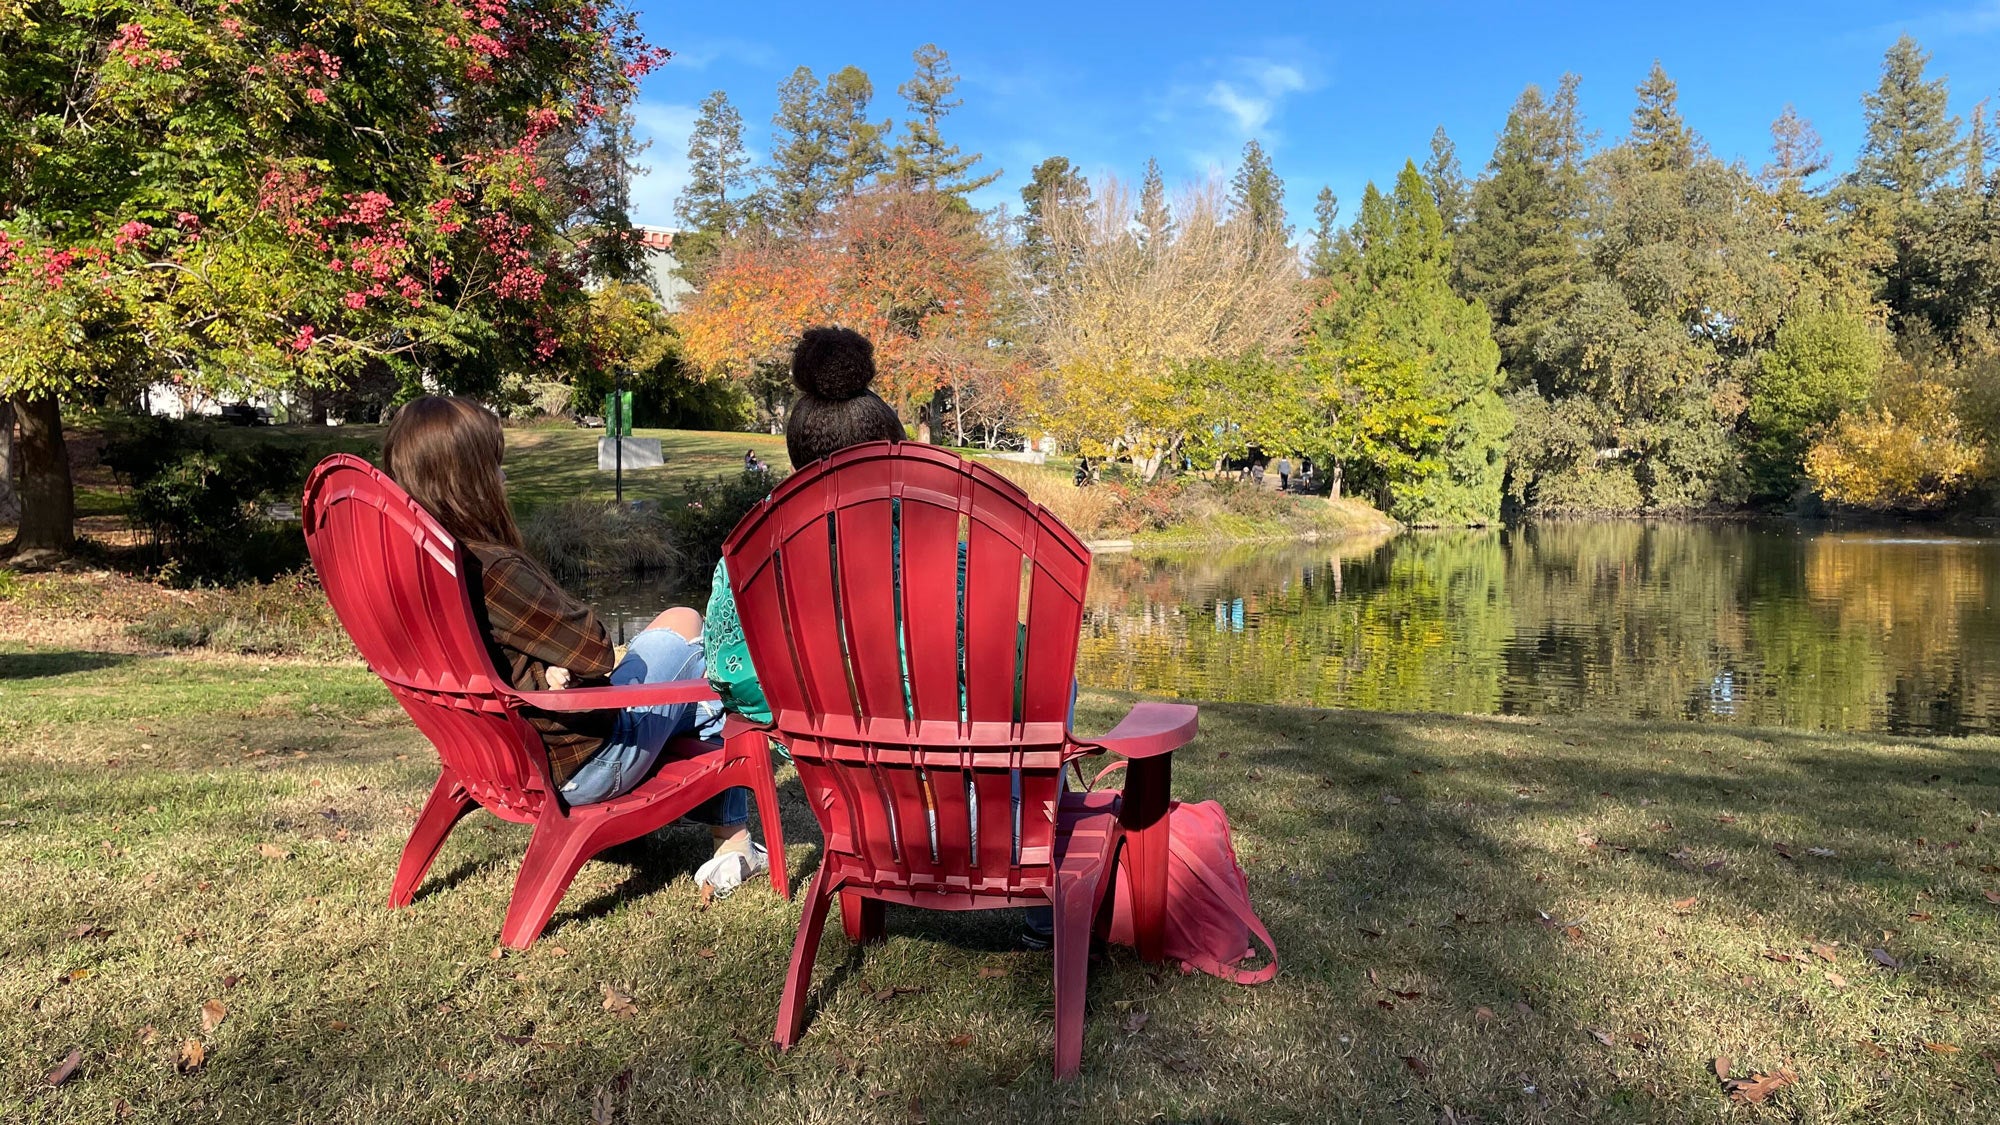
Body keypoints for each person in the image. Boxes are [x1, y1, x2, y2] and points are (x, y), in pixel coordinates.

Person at [383, 397, 768, 897]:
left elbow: (497, 659)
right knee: (692, 634)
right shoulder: (491, 568)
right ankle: (732, 839)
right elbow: (596, 652)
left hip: (488, 758)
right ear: (470, 480)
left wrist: (542, 669)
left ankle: (721, 829)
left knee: (679, 651)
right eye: (496, 466)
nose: (504, 478)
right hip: (577, 768)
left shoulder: (416, 569)